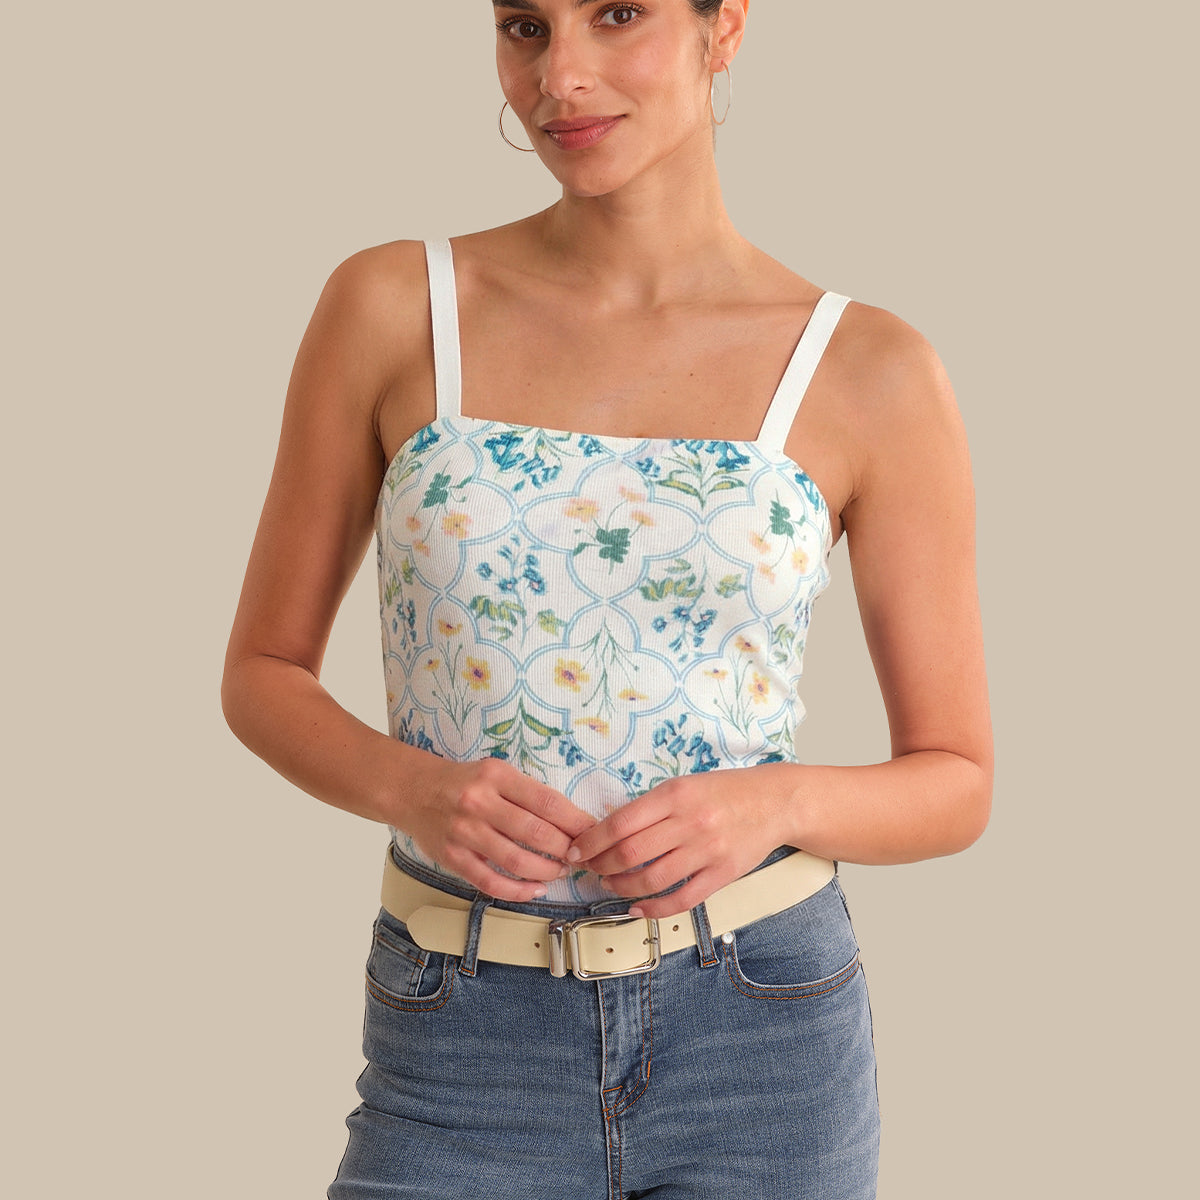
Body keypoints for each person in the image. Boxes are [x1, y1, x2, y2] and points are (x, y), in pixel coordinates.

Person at [222, 2, 992, 1195]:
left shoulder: (868, 370)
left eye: (617, 14)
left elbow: (955, 779)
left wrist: (768, 802)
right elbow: (262, 672)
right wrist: (413, 786)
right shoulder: (392, 305)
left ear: (724, 24)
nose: (561, 77)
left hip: (763, 1033)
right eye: (525, 26)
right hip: (459, 1023)